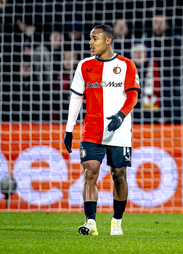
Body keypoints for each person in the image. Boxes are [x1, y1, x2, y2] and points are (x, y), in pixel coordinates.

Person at [63, 24, 141, 236]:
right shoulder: (84, 65)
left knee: (119, 175)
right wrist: (69, 129)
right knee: (90, 173)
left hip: (119, 130)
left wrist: (120, 115)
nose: (90, 43)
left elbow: (133, 95)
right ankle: (90, 222)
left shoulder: (126, 65)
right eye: (90, 38)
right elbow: (77, 97)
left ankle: (116, 222)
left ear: (108, 40)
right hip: (92, 130)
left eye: (95, 38)